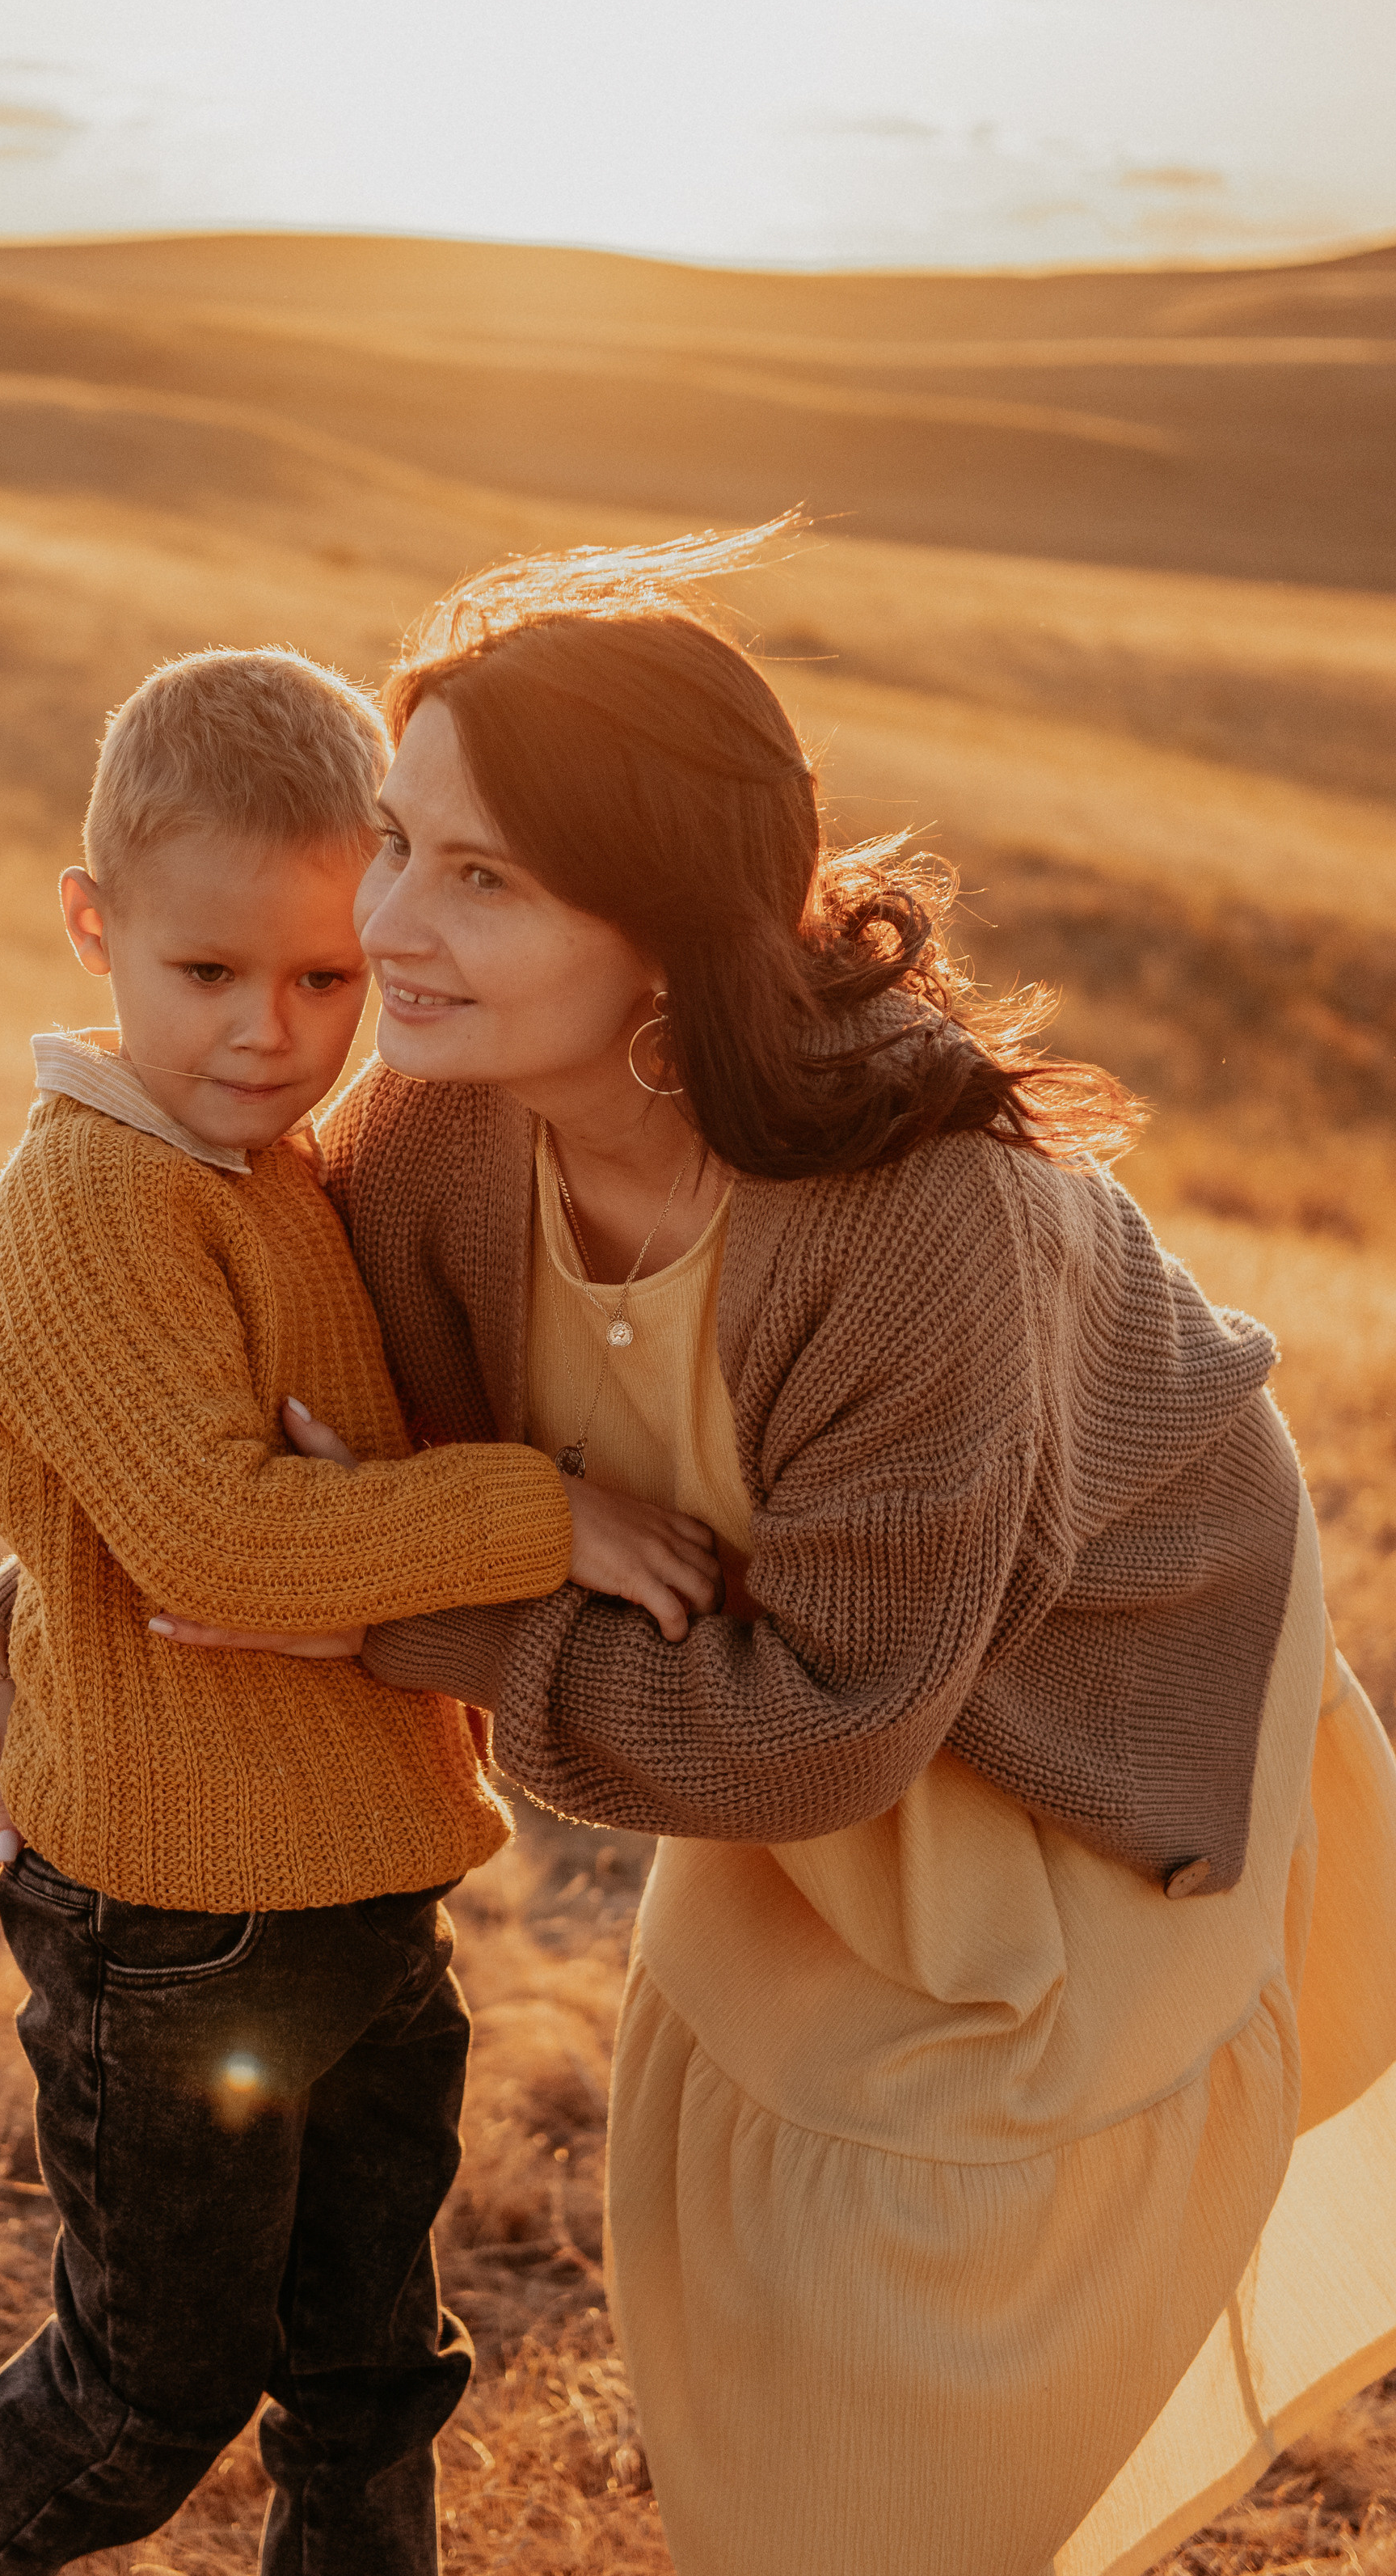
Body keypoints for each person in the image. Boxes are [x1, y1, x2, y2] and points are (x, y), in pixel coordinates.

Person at [142, 534, 1396, 2576]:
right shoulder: (440, 1126)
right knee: (759, 2295)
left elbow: (815, 1736)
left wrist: (407, 1614)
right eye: (394, 841)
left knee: (950, 2345)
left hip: (1068, 1746)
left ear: (663, 933)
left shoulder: (921, 1219)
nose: (388, 927)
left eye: (484, 878)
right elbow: (215, 1449)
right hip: (786, 1718)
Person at [0, 644, 718, 2576]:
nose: (270, 1030)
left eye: (324, 975)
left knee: (368, 2366)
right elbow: (215, 1547)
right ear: (94, 929)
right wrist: (544, 1518)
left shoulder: (267, 1166)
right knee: (144, 2396)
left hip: (359, 1887)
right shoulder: (95, 1198)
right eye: (208, 973)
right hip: (175, 1922)